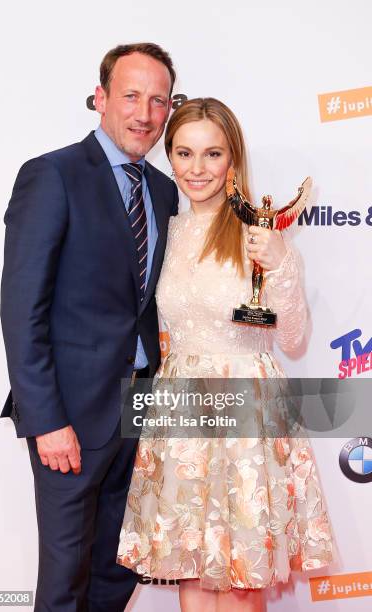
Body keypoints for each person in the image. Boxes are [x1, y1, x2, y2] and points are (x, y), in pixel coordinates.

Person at [117, 98, 333, 612]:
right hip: (180, 409)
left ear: (233, 159)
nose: (197, 169)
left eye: (212, 154)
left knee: (239, 577)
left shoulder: (261, 234)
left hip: (246, 412)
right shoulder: (165, 231)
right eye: (184, 153)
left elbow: (294, 340)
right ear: (168, 156)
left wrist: (281, 266)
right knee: (190, 567)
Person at [0, 42, 178, 612]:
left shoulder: (165, 190)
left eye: (158, 101)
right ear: (100, 98)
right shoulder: (52, 175)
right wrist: (46, 419)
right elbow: (22, 308)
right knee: (64, 580)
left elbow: (143, 304)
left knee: (115, 569)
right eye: (130, 96)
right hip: (69, 419)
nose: (143, 113)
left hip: (139, 413)